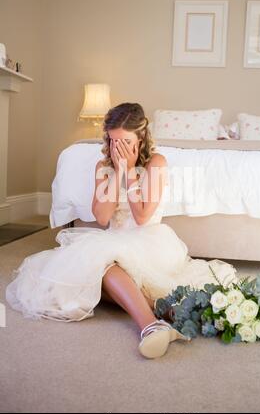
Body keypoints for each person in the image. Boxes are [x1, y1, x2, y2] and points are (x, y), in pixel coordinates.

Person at [5, 102, 238, 359]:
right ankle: (161, 319)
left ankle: (149, 324)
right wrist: (116, 172)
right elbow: (103, 217)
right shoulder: (103, 167)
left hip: (150, 243)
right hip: (113, 241)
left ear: (141, 138)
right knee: (92, 274)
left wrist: (129, 171)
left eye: (126, 141)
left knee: (99, 275)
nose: (119, 148)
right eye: (114, 141)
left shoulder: (156, 163)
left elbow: (141, 217)